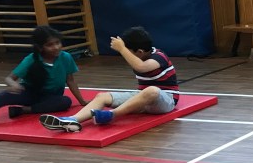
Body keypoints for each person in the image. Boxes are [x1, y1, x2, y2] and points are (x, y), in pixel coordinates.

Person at [39, 26, 178, 133]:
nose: (126, 55)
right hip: (143, 99)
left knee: (152, 90)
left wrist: (122, 49)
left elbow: (141, 67)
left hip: (166, 101)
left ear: (140, 52)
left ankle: (111, 115)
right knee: (102, 96)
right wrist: (123, 48)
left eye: (129, 51)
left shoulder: (159, 57)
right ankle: (72, 120)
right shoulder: (141, 55)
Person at [0, 25, 87, 118]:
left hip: (50, 97)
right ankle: (33, 107)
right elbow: (9, 78)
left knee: (65, 102)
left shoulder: (66, 57)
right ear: (40, 47)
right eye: (50, 45)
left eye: (57, 43)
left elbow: (70, 81)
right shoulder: (31, 59)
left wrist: (82, 101)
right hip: (29, 93)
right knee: (4, 95)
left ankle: (23, 110)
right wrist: (14, 84)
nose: (56, 47)